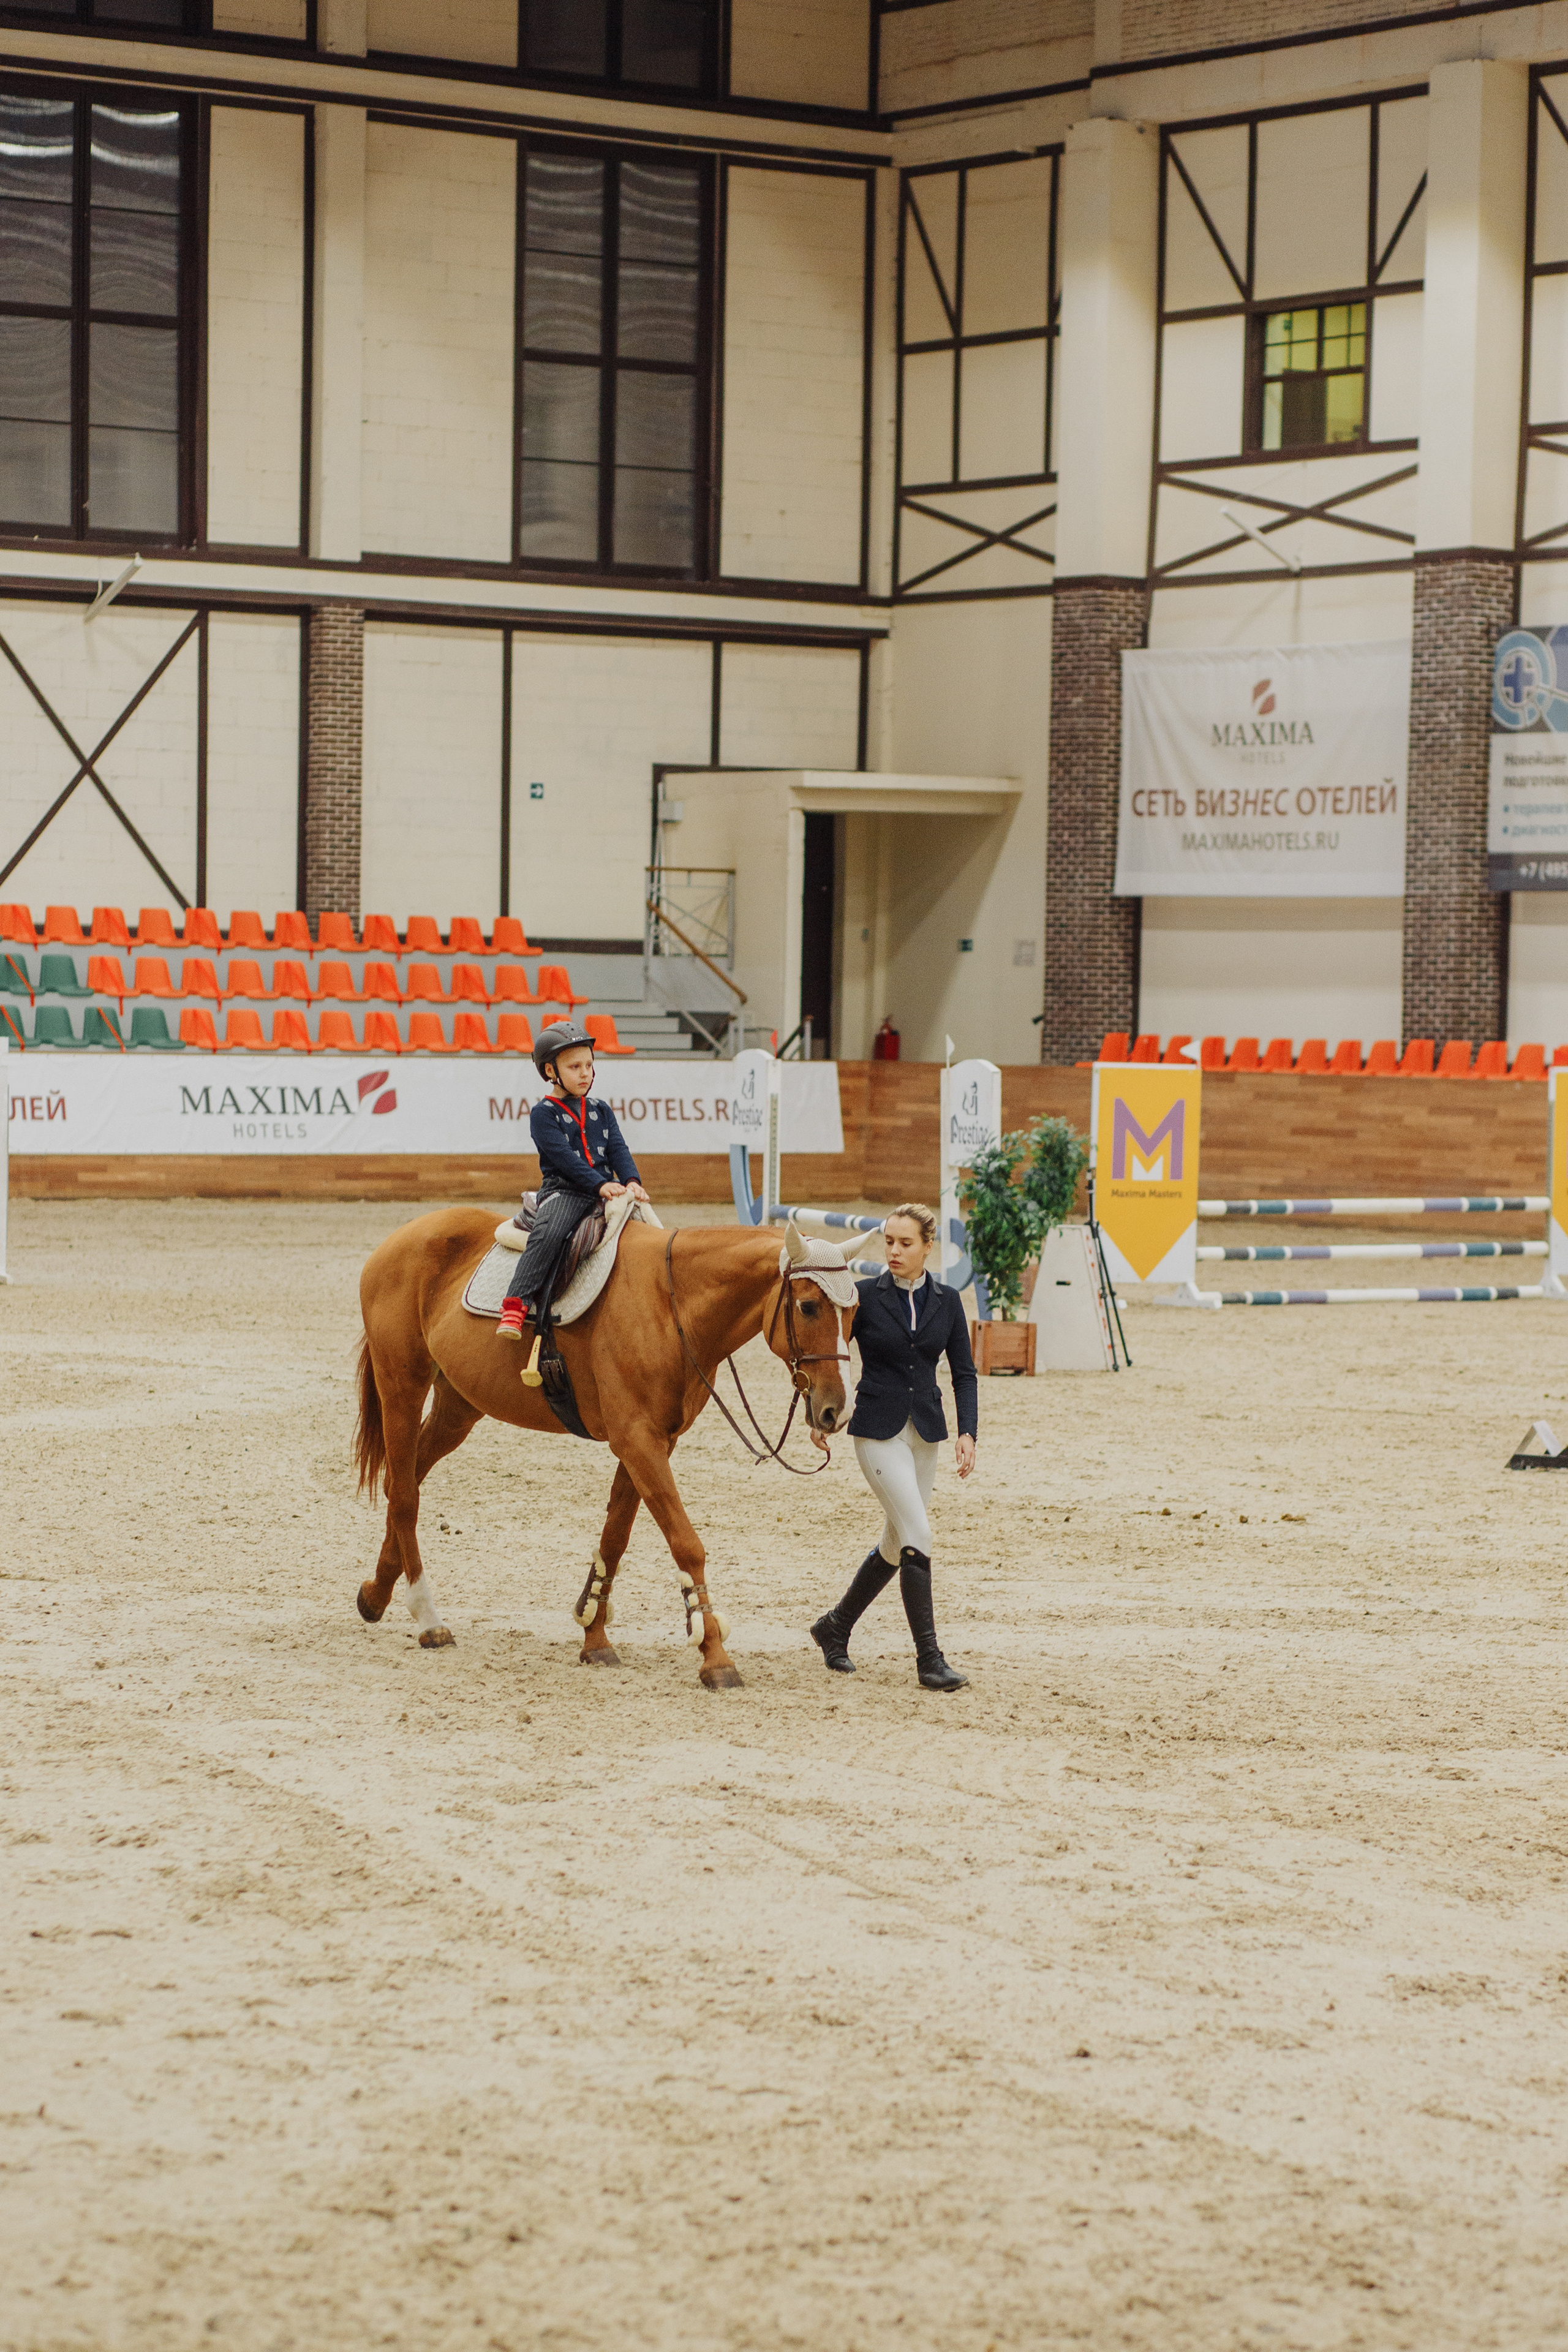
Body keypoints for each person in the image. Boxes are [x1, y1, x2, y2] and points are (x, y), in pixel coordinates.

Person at [809, 1200, 977, 1691]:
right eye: (890, 1242)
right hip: (876, 1430)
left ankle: (835, 1627)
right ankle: (930, 1660)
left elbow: (964, 1373)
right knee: (918, 1533)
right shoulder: (862, 1297)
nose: (896, 1251)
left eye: (906, 1243)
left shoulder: (947, 1302)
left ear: (928, 1247)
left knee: (895, 1541)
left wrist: (968, 1431)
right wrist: (821, 1415)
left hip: (925, 1432)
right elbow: (830, 1356)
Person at [496, 1023, 650, 1343]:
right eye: (575, 1067)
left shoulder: (601, 1110)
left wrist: (632, 1181)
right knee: (549, 1234)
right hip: (565, 1191)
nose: (585, 1073)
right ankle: (516, 1302)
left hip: (608, 1189)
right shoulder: (543, 1114)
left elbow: (618, 1149)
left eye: (590, 1065)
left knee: (651, 1233)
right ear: (551, 1071)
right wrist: (599, 1185)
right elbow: (565, 1159)